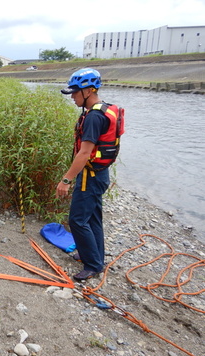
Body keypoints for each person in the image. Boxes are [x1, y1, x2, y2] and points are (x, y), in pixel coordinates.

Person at [57, 68, 123, 281]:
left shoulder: (94, 116)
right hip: (99, 175)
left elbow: (85, 153)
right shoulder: (101, 110)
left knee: (77, 220)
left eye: (75, 93)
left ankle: (93, 265)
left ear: (88, 91)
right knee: (93, 218)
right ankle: (92, 256)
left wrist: (66, 180)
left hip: (90, 177)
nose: (73, 97)